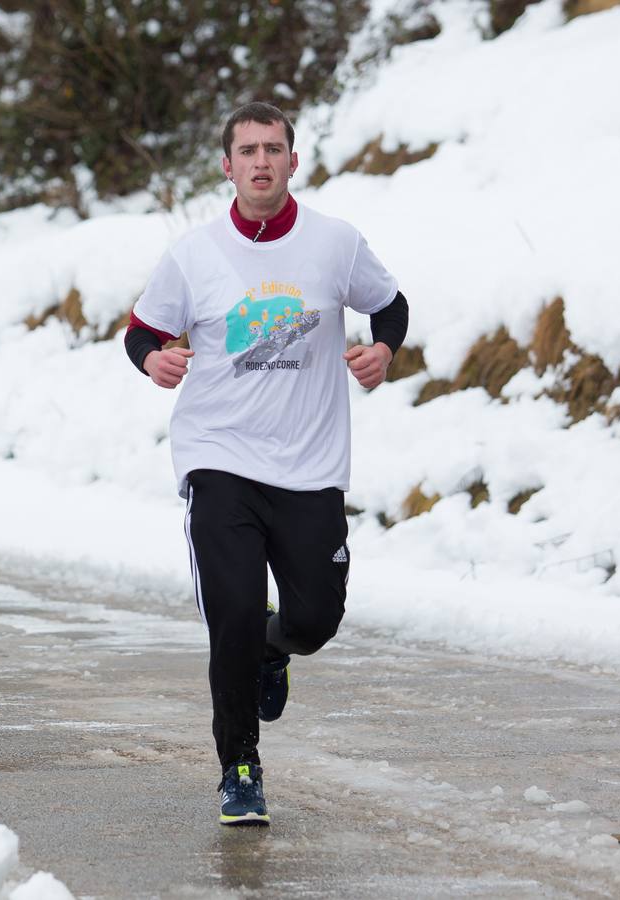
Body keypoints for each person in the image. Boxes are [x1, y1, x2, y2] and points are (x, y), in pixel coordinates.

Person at [124, 102, 410, 825]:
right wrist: (153, 357)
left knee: (313, 619)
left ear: (292, 162)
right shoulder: (193, 254)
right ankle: (239, 768)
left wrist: (382, 350)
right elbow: (141, 329)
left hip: (310, 466)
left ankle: (273, 650)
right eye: (246, 150)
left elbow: (390, 305)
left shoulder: (334, 244)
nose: (259, 161)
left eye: (272, 149)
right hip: (218, 459)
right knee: (232, 615)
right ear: (225, 165)